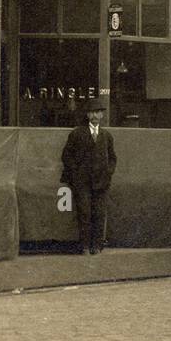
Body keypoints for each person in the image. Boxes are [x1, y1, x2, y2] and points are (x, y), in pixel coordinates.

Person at [61, 98, 117, 255]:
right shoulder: (77, 134)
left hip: (101, 182)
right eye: (92, 112)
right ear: (87, 115)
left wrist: (108, 172)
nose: (95, 116)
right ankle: (85, 246)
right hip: (82, 183)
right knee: (84, 213)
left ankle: (97, 246)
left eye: (98, 112)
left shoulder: (106, 136)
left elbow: (113, 158)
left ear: (102, 116)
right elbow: (66, 156)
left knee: (99, 214)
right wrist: (76, 175)